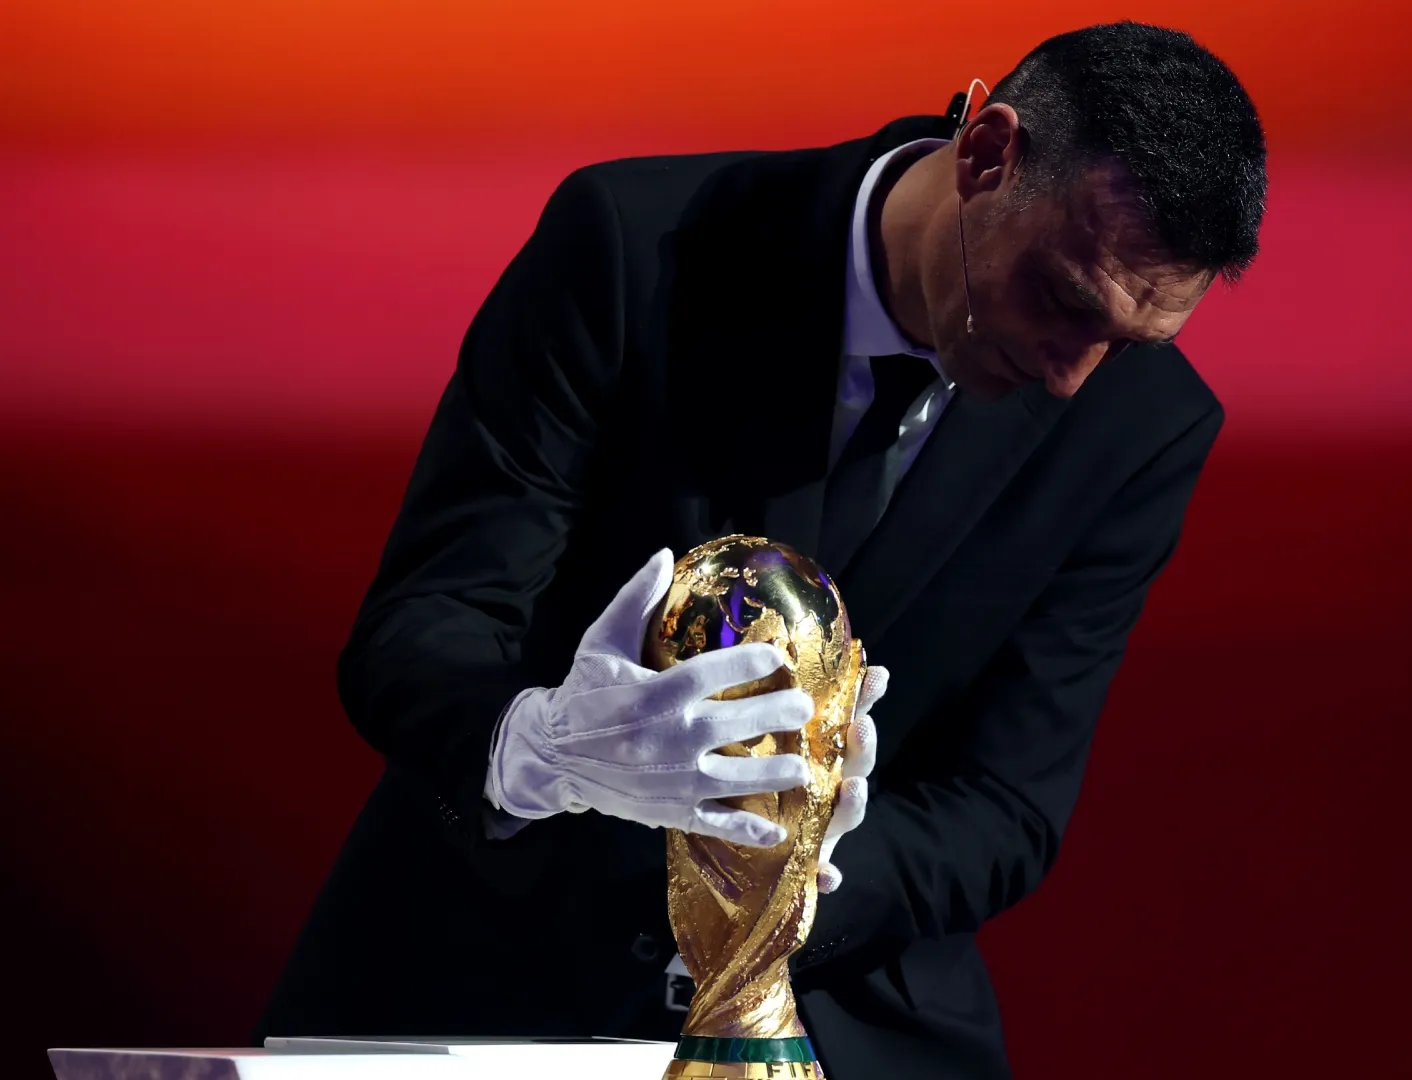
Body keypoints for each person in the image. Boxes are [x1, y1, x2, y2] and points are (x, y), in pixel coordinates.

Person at [256, 20, 1266, 1080]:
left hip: (846, 1019)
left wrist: (789, 879)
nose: (1073, 378)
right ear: (986, 154)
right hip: (484, 976)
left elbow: (1006, 807)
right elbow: (422, 626)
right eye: (1063, 301)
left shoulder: (1144, 424)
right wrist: (539, 748)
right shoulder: (632, 246)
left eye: (1130, 343)